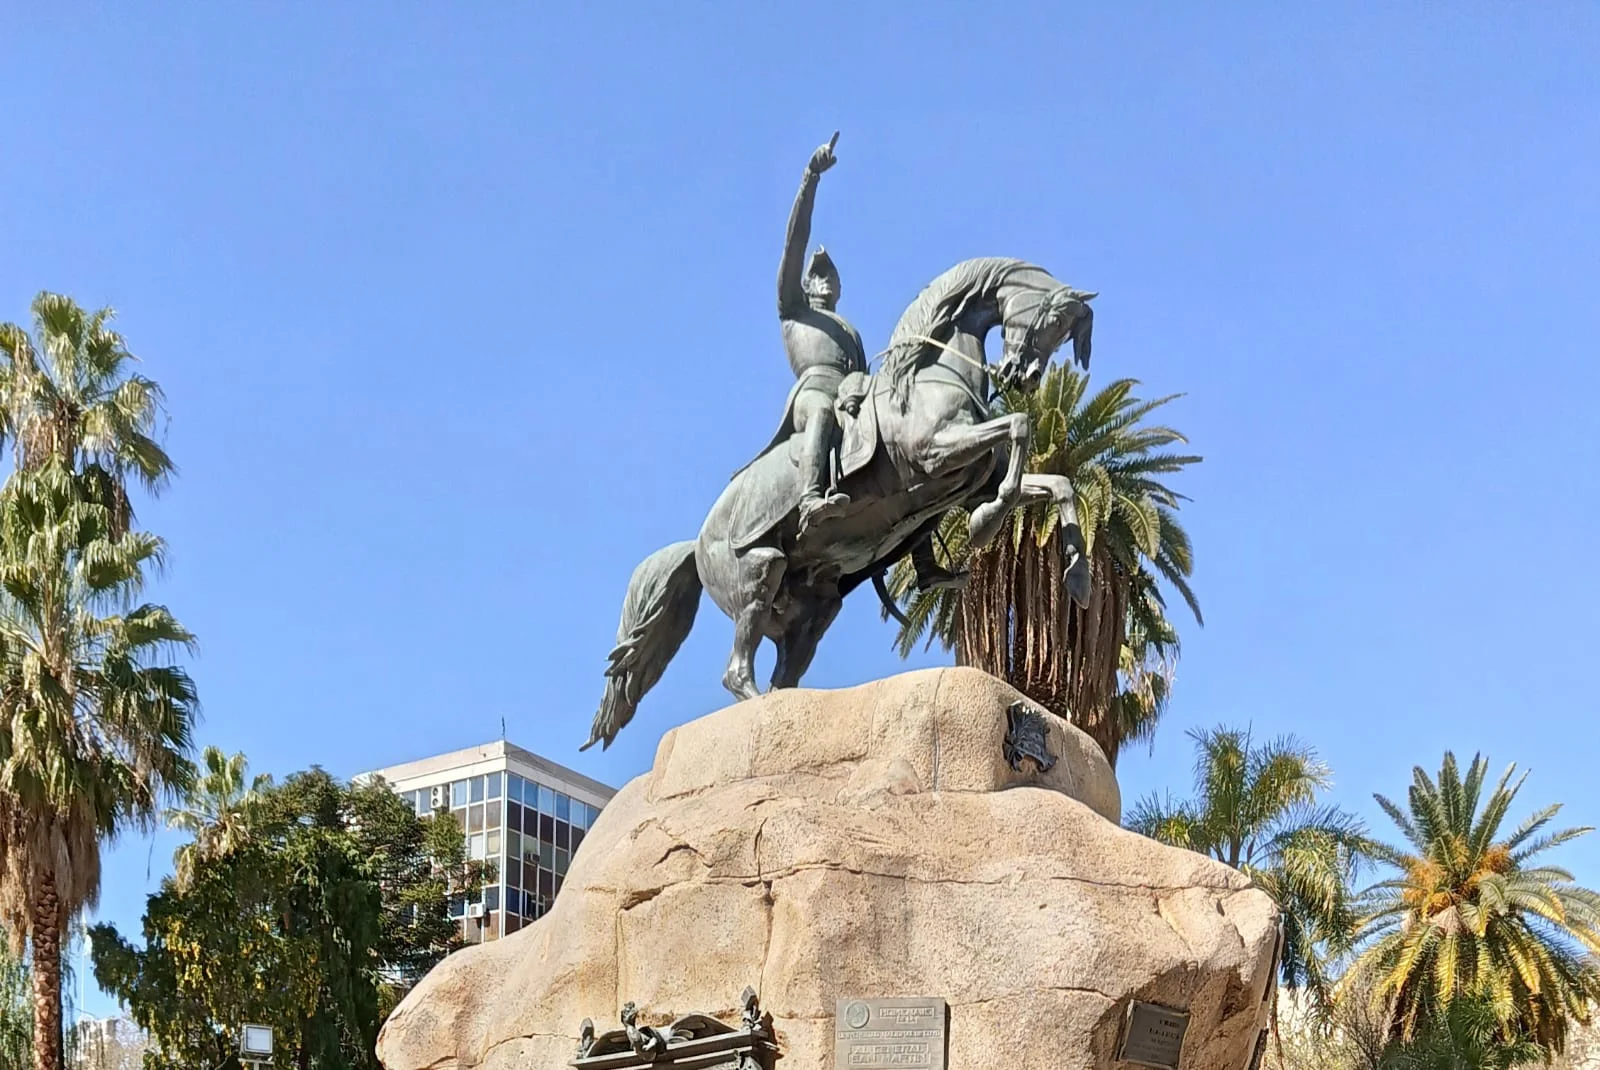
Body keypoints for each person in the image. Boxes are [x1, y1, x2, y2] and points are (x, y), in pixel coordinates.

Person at [770, 131, 867, 532]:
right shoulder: (793, 309)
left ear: (840, 288)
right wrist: (811, 177)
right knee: (822, 411)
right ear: (806, 283)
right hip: (811, 396)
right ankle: (810, 498)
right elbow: (796, 242)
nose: (824, 280)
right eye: (817, 275)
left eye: (831, 276)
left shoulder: (851, 333)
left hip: (850, 398)